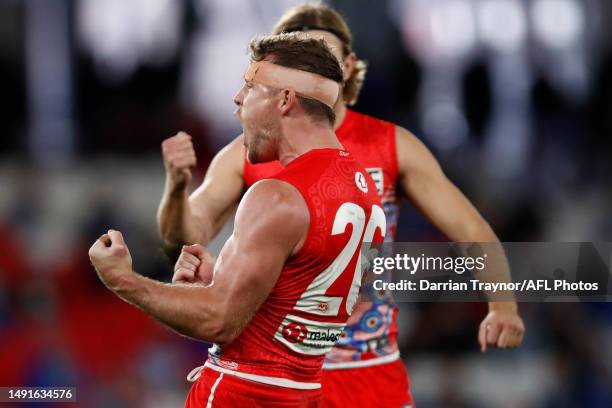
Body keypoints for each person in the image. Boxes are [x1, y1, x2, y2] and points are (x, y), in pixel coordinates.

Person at [158, 4, 526, 407]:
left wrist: (503, 305)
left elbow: (470, 230)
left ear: (348, 66)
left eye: (322, 56)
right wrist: (177, 190)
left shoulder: (391, 145)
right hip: (278, 376)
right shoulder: (248, 152)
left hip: (365, 371)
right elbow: (187, 234)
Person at [90, 32, 385, 407]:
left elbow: (218, 320)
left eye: (249, 87)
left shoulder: (277, 195)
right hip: (303, 393)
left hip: (244, 394)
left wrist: (123, 281)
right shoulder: (365, 191)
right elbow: (305, 306)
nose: (237, 101)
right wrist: (222, 283)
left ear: (284, 99)